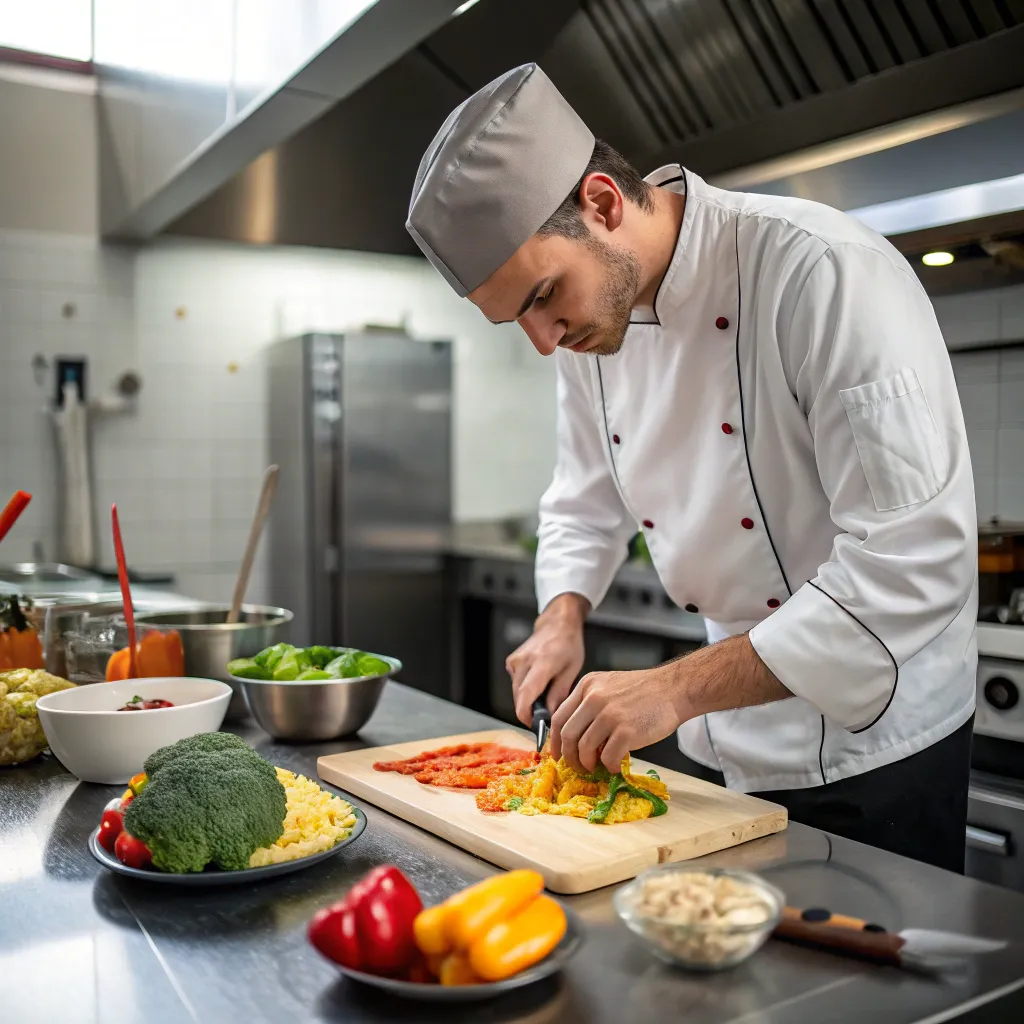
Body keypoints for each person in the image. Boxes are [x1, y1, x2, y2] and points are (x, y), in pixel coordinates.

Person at [406, 64, 977, 872]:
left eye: (541, 295)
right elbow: (583, 498)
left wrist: (671, 689)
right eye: (517, 320)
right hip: (729, 741)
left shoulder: (821, 272)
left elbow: (912, 566)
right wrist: (560, 616)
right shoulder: (588, 322)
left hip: (878, 746)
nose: (541, 339)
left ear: (602, 203)